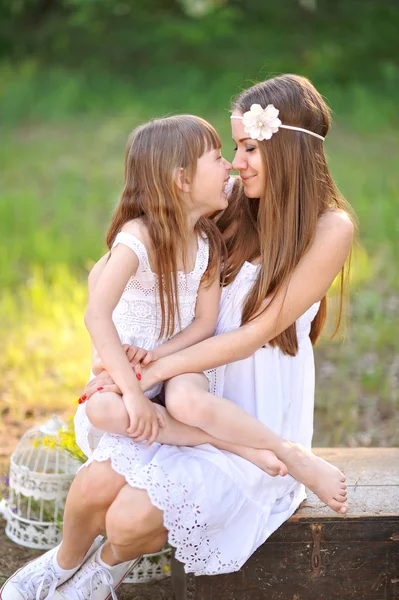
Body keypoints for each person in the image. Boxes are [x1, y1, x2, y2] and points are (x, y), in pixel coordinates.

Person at [1, 74, 354, 600]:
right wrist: (117, 359)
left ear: (290, 152)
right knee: (94, 486)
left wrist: (152, 369)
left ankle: (100, 575)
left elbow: (254, 332)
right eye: (233, 149)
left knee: (126, 520)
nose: (236, 162)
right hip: (186, 396)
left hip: (250, 418)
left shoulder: (331, 228)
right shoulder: (228, 201)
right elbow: (125, 261)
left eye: (250, 148)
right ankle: (62, 564)